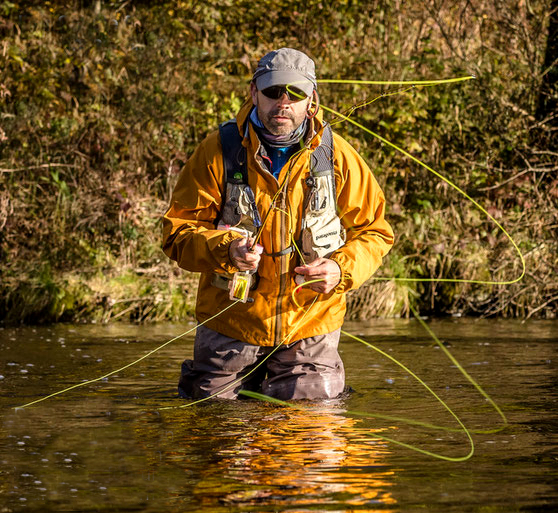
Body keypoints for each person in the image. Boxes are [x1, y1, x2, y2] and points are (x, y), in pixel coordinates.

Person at [162, 48, 394, 400]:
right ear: (254, 93)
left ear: (311, 99)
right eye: (273, 92)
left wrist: (339, 269)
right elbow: (176, 233)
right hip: (230, 322)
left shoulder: (336, 155)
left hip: (311, 325)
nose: (283, 102)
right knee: (215, 425)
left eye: (295, 93)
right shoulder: (217, 152)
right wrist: (225, 250)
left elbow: (375, 231)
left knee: (309, 433)